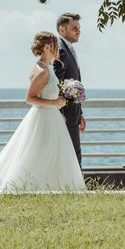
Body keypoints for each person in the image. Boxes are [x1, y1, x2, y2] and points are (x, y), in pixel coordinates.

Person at [0, 31, 86, 194]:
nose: (57, 49)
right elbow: (30, 98)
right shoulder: (42, 71)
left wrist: (60, 105)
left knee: (53, 154)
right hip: (43, 118)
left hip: (53, 116)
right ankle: (31, 187)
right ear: (46, 47)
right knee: (39, 154)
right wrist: (55, 103)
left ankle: (55, 188)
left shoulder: (48, 67)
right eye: (54, 45)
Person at [54, 12, 85, 165]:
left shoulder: (68, 48)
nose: (78, 31)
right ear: (62, 30)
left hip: (73, 112)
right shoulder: (61, 50)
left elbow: (72, 82)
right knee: (72, 154)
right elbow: (57, 83)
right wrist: (60, 113)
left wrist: (80, 112)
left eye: (79, 28)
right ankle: (76, 187)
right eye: (74, 28)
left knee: (73, 152)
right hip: (66, 113)